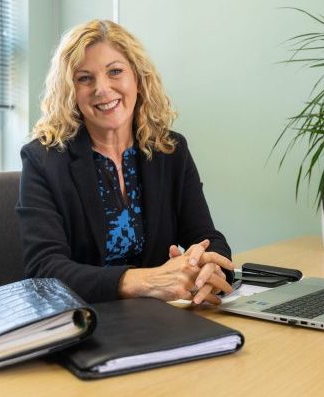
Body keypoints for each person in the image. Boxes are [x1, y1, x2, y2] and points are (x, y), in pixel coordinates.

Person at [17, 20, 234, 306]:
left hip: (158, 319)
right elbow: (44, 270)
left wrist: (207, 267)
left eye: (115, 72)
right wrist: (146, 280)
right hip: (86, 320)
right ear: (70, 91)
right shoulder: (43, 160)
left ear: (138, 79)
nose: (102, 89)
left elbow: (206, 236)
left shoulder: (170, 150)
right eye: (84, 78)